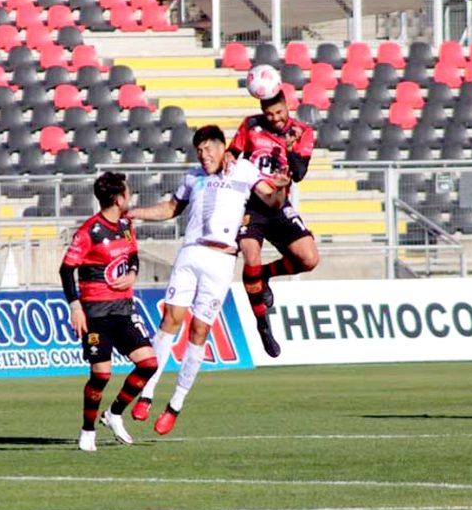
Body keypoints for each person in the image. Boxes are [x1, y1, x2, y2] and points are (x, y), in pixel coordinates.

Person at [128, 125, 288, 435]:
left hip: (221, 259)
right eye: (199, 151)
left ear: (222, 147)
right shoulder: (193, 176)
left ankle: (175, 403)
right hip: (190, 253)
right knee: (169, 321)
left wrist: (280, 187)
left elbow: (271, 200)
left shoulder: (242, 169)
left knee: (200, 330)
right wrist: (136, 213)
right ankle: (147, 392)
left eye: (208, 149)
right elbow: (171, 209)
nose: (203, 156)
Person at [60, 172, 158, 452]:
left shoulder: (126, 225)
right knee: (101, 375)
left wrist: (133, 274)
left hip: (123, 310)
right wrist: (75, 305)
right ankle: (87, 430)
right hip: (96, 315)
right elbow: (66, 269)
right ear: (118, 198)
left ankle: (114, 414)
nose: (130, 197)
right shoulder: (89, 231)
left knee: (149, 364)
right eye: (127, 192)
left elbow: (133, 255)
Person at [226, 87, 319, 358]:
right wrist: (229, 158)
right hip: (251, 203)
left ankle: (265, 276)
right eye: (269, 114)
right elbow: (234, 151)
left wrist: (290, 151)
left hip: (278, 203)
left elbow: (299, 174)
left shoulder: (302, 131)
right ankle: (262, 324)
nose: (275, 118)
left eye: (278, 112)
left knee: (309, 259)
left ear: (286, 107)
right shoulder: (251, 124)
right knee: (250, 257)